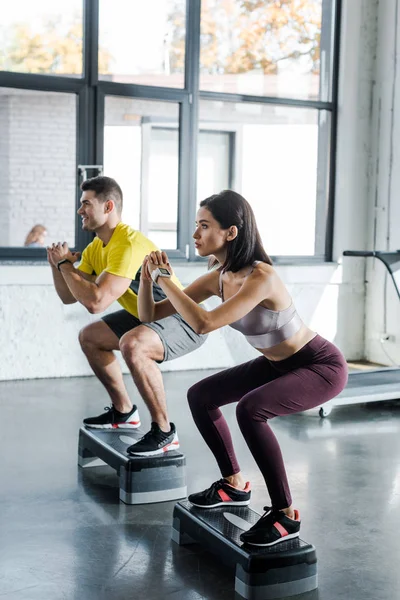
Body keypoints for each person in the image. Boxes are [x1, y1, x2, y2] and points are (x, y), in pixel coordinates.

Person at [137, 189, 348, 547]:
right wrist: (148, 278)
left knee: (252, 409)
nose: (195, 235)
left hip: (319, 365)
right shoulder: (219, 277)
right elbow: (150, 315)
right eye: (196, 226)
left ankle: (285, 515)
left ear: (231, 232)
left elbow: (203, 323)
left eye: (204, 226)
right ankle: (233, 484)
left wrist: (165, 281)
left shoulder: (260, 276)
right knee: (200, 395)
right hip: (275, 363)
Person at [47, 176, 207, 456]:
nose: (79, 210)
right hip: (146, 315)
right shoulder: (97, 248)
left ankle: (165, 431)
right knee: (90, 337)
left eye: (86, 203)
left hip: (182, 318)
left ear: (108, 206)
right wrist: (58, 266)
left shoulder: (127, 244)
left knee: (133, 344)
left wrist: (65, 264)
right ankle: (123, 412)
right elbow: (70, 296)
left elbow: (96, 302)